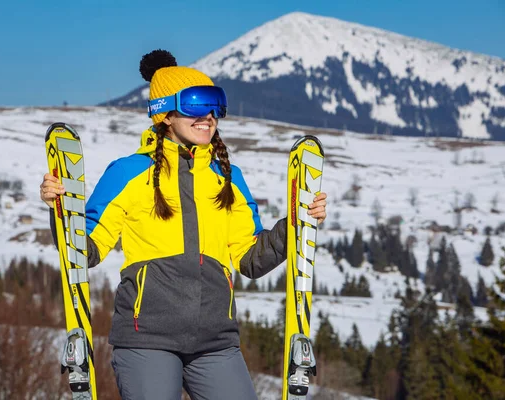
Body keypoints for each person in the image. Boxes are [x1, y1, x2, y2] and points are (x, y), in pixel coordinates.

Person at [40, 49, 328, 400]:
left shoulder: (228, 178)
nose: (207, 116)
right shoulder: (129, 173)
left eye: (215, 106)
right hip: (147, 338)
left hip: (215, 341)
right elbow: (87, 249)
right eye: (195, 104)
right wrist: (63, 211)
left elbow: (251, 258)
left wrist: (297, 224)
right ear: (164, 113)